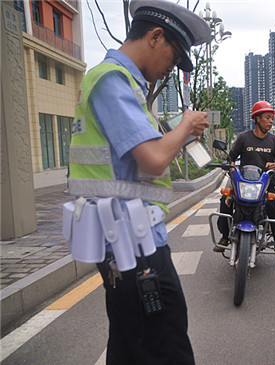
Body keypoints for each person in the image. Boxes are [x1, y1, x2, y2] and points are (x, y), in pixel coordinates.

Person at [67, 0, 211, 363]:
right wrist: (186, 125)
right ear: (155, 36)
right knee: (167, 347)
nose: (170, 70)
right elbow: (154, 157)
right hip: (132, 245)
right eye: (174, 58)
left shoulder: (120, 83)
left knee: (131, 344)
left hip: (125, 239)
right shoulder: (113, 81)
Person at [214, 101, 275, 270]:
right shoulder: (244, 138)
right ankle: (224, 235)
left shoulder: (274, 140)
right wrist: (229, 167)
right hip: (244, 184)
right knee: (225, 201)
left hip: (265, 186)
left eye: (272, 118)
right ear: (257, 118)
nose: (271, 121)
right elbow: (231, 158)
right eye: (267, 117)